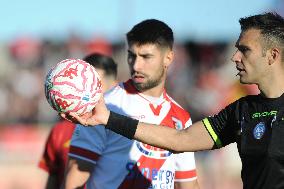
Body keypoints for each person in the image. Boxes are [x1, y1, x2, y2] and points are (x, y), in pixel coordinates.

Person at [64, 12, 284, 189]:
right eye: (133, 55)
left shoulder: (178, 112)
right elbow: (180, 139)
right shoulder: (242, 110)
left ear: (273, 55)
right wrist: (107, 118)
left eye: (244, 50)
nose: (235, 57)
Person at [63, 19, 199, 189]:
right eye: (131, 55)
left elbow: (187, 185)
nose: (136, 65)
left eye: (146, 57)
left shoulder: (181, 118)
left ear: (168, 58)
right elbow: (73, 182)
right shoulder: (103, 108)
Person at [38, 53, 118, 189]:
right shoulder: (59, 131)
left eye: (94, 86)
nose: (85, 93)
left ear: (114, 86)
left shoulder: (123, 130)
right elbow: (53, 178)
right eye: (81, 85)